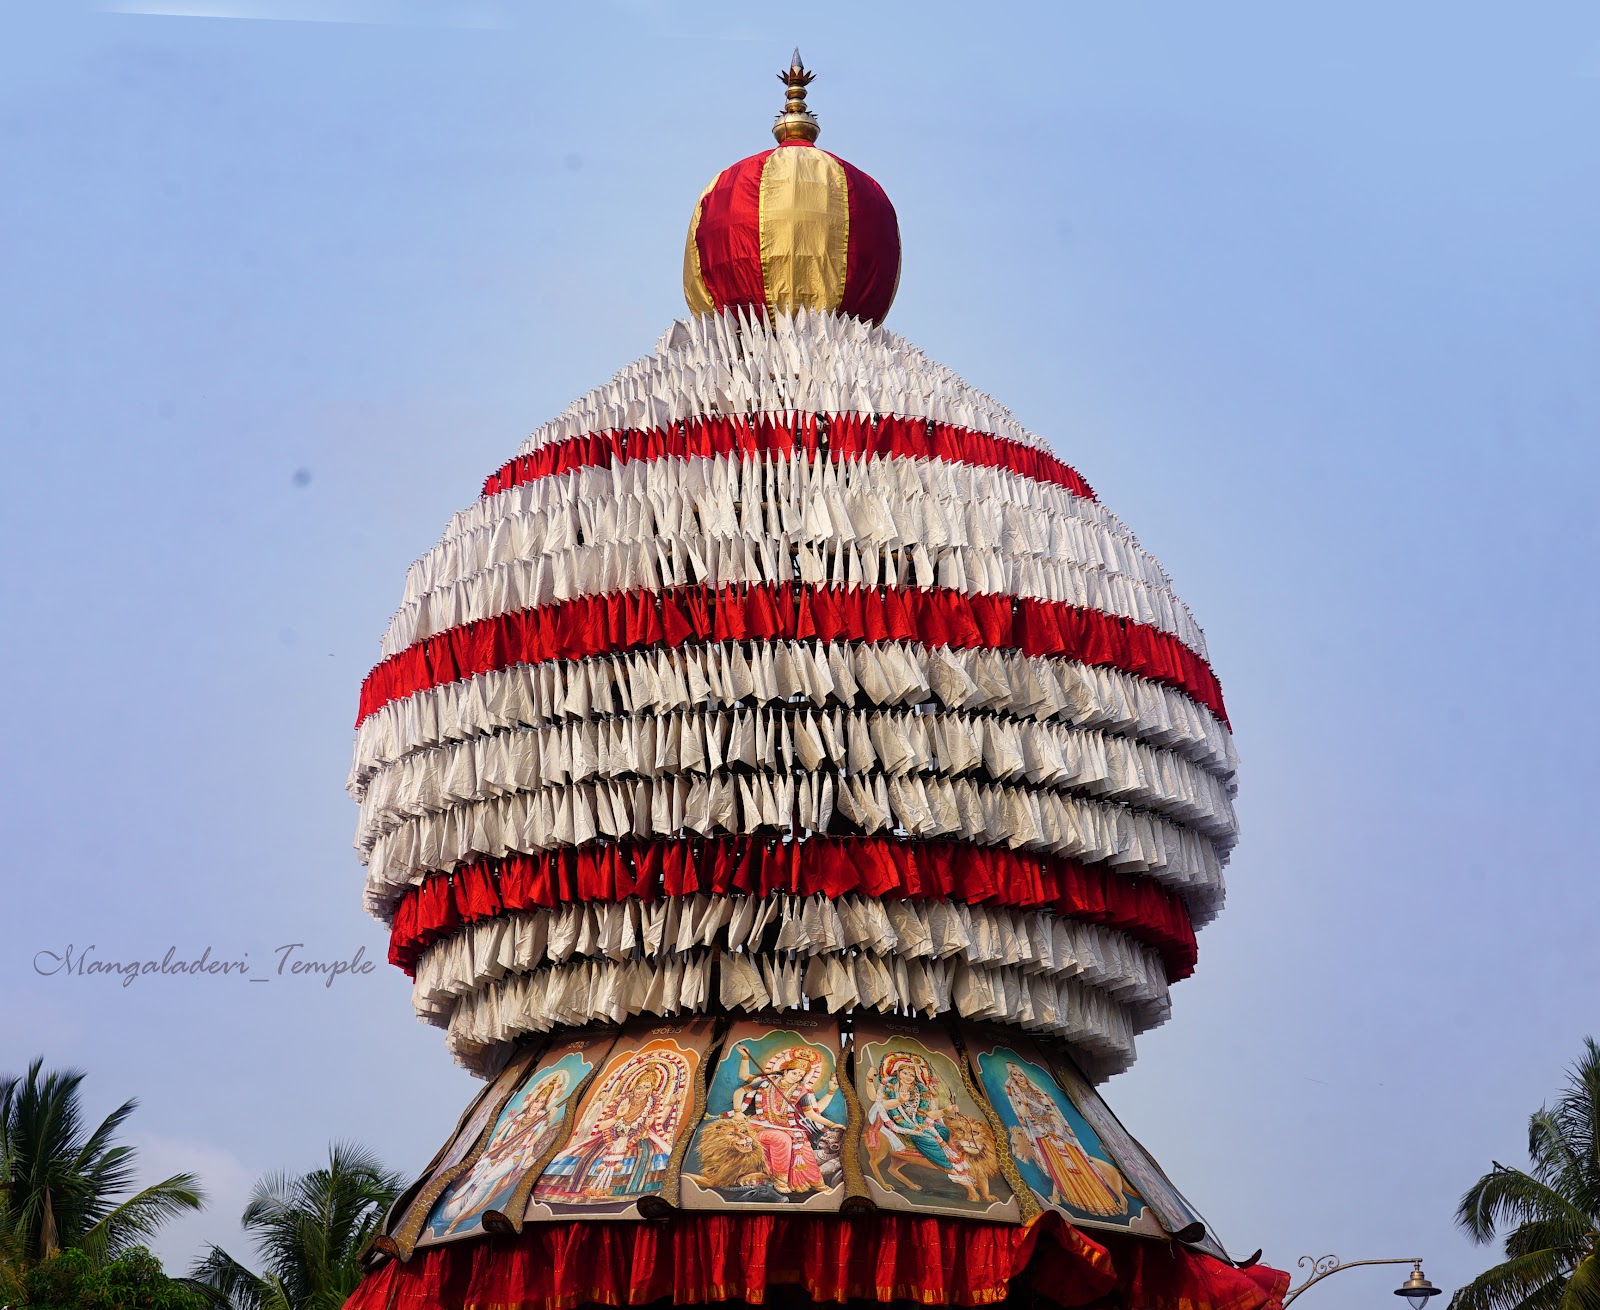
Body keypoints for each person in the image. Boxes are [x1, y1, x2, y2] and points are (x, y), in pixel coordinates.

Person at [725, 1044, 839, 1195]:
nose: (797, 1077)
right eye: (795, 1073)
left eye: (800, 1075)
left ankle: (818, 1184)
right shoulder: (767, 1081)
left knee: (803, 1146)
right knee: (781, 1139)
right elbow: (742, 1085)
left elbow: (811, 1114)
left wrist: (831, 1124)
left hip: (788, 1128)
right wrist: (738, 1112)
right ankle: (780, 1181)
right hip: (760, 1126)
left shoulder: (801, 1091)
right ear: (785, 1071)